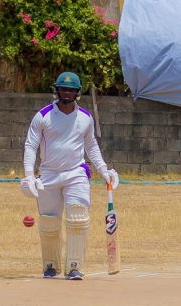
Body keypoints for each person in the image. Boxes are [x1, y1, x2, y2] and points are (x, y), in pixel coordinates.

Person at [21, 71, 120, 280]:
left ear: (77, 93)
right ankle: (50, 265)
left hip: (76, 173)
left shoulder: (85, 117)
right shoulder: (43, 116)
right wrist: (29, 175)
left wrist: (104, 170)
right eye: (63, 89)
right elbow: (31, 145)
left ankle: (75, 267)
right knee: (49, 222)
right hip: (48, 174)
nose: (67, 93)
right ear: (56, 90)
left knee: (77, 217)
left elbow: (91, 145)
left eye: (71, 90)